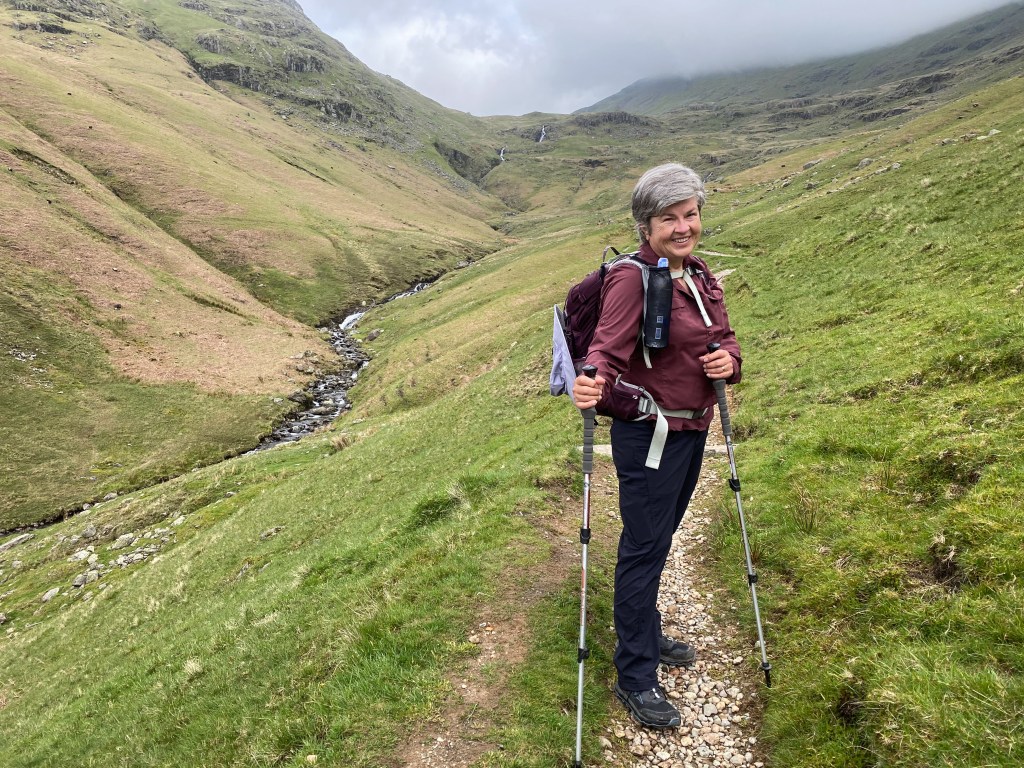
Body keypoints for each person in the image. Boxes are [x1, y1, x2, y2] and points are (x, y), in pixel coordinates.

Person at [572, 163, 741, 729]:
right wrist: (590, 379)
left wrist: (730, 363)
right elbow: (608, 349)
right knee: (644, 547)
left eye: (690, 214)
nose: (683, 226)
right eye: (669, 218)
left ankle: (644, 629)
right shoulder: (632, 279)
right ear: (647, 225)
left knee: (661, 538)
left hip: (693, 428)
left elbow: (724, 338)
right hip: (650, 436)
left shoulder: (698, 273)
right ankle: (636, 675)